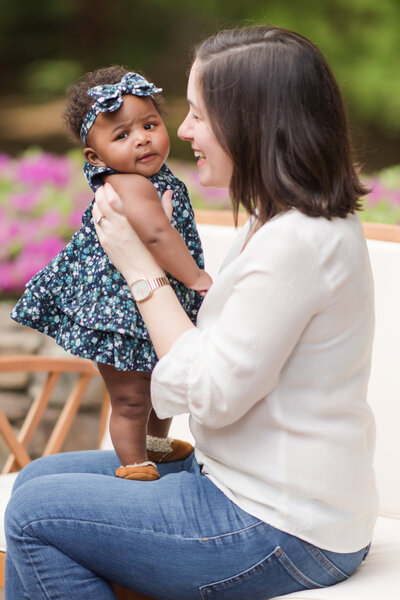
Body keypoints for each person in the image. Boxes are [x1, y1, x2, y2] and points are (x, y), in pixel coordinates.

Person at [5, 26, 378, 600]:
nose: (180, 131)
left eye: (198, 114)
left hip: (281, 526)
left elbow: (208, 394)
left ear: (250, 121)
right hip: (248, 484)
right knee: (37, 478)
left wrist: (138, 269)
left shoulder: (298, 243)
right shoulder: (278, 218)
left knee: (32, 512)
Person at [11, 66, 211, 482]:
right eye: (122, 135)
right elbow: (156, 234)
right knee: (131, 398)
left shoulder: (153, 177)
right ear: (95, 157)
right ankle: (134, 463)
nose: (141, 138)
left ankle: (155, 445)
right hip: (118, 315)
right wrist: (195, 278)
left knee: (162, 386)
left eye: (150, 125)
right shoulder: (130, 184)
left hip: (145, 308)